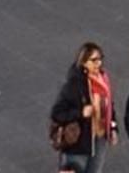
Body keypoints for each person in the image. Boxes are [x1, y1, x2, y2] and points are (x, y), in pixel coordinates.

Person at [49, 40, 116, 173]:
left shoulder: (103, 81)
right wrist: (81, 112)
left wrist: (113, 127)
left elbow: (109, 106)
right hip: (79, 143)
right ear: (84, 62)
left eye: (100, 59)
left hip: (99, 139)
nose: (99, 63)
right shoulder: (74, 85)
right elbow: (57, 113)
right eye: (94, 60)